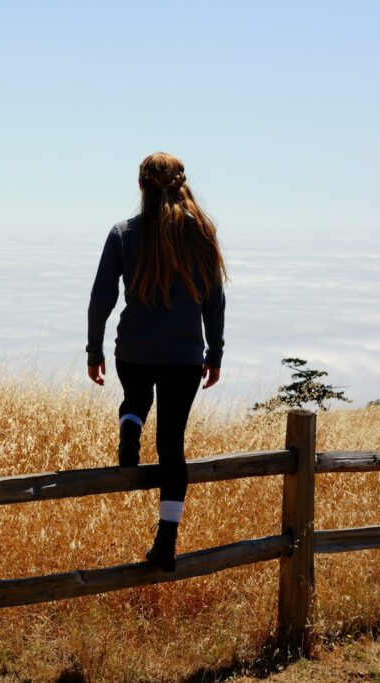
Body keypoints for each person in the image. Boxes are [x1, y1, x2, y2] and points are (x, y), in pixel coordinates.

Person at [85, 151, 227, 572]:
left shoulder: (123, 233)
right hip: (185, 356)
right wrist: (215, 352)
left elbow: (101, 299)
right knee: (172, 446)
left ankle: (129, 429)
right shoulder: (201, 232)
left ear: (141, 186)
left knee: (134, 399)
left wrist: (94, 350)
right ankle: (165, 542)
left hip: (133, 350)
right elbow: (215, 301)